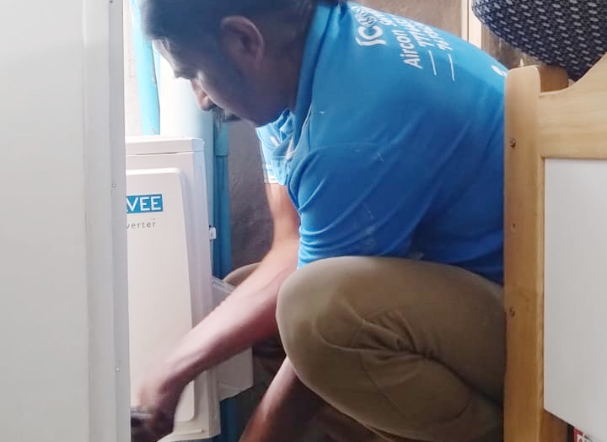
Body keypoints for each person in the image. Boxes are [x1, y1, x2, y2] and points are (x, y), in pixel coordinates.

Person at [134, 1, 507, 441]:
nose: (202, 98)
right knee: (245, 305)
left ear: (243, 40)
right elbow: (292, 245)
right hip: (476, 289)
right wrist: (171, 373)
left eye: (194, 73)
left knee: (315, 315)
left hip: (539, 320)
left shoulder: (353, 123)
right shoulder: (299, 63)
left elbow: (313, 318)